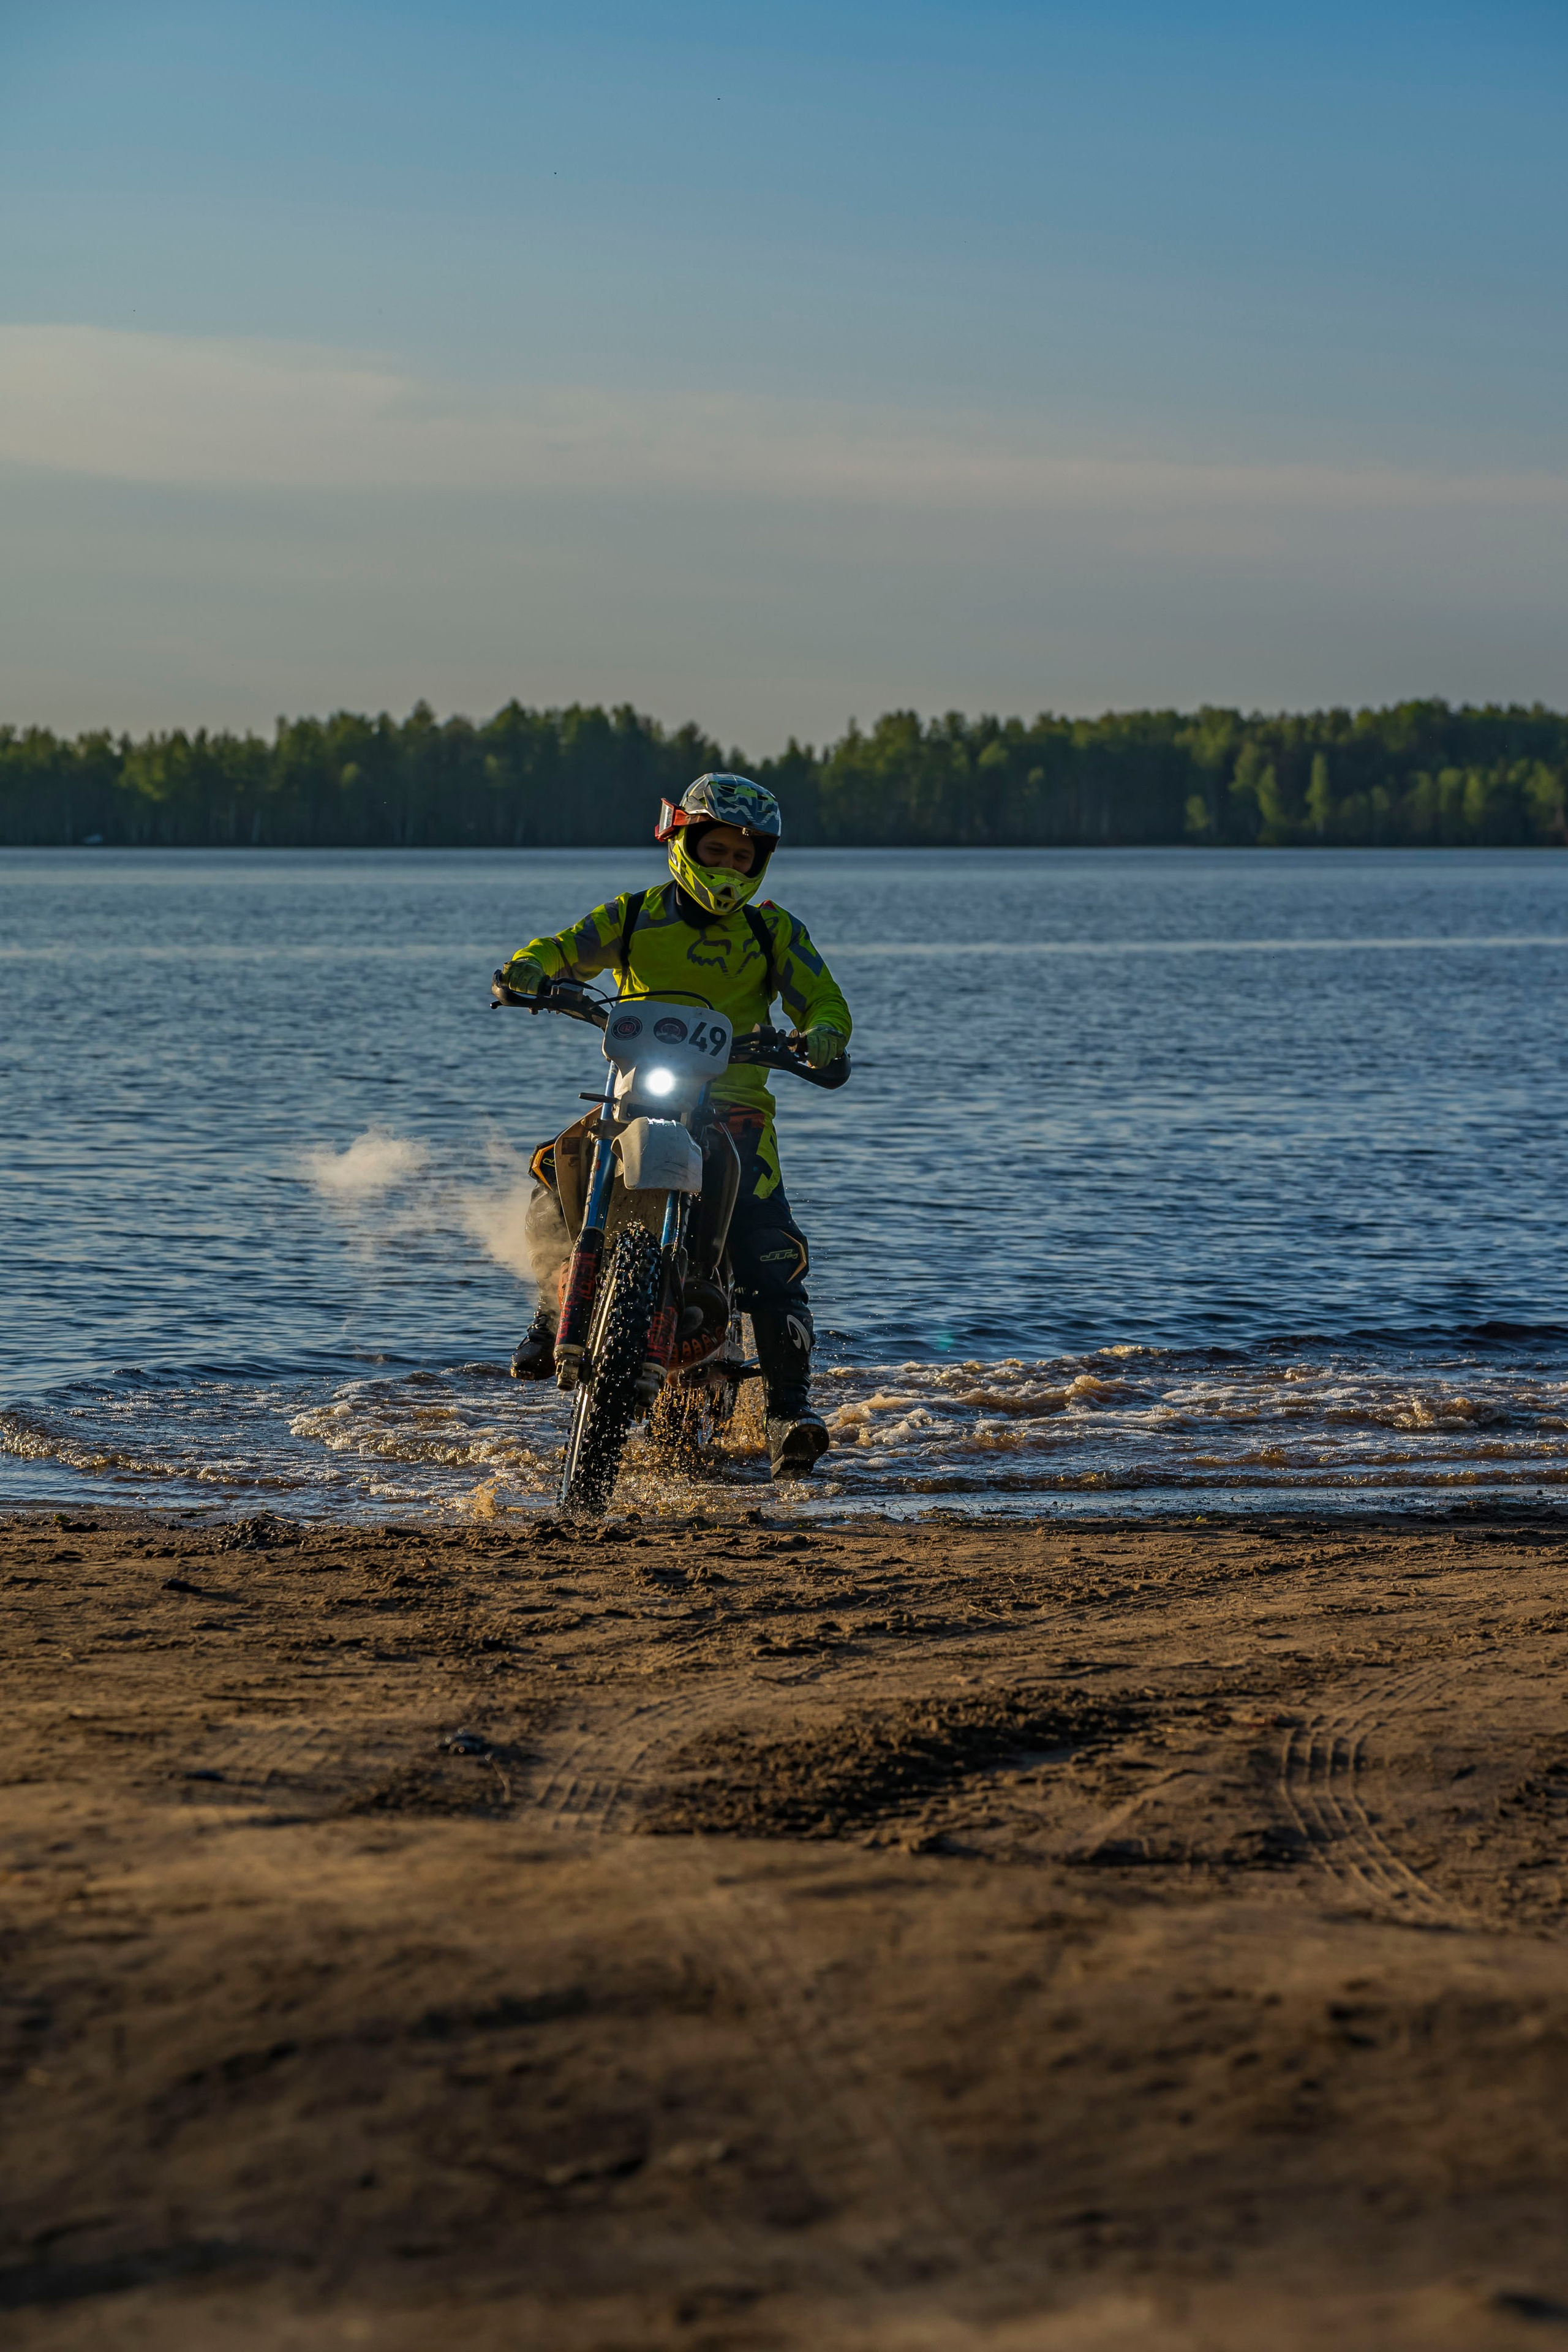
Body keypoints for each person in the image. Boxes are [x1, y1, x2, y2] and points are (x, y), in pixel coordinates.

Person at [499, 774, 851, 1480]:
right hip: (635, 1095)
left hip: (735, 1111)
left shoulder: (771, 929)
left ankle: (789, 1411)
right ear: (682, 842)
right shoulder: (631, 917)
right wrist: (529, 970)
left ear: (759, 866)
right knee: (554, 1168)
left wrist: (820, 1033)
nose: (727, 867)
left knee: (772, 1252)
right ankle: (549, 1313)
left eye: (742, 859)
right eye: (715, 850)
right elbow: (562, 949)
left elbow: (823, 998)